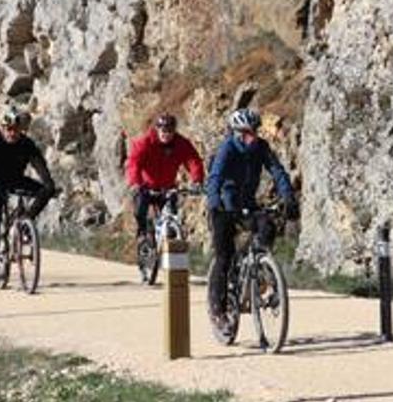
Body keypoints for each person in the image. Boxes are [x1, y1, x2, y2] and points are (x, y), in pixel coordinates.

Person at [205, 108, 298, 328]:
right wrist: (215, 203)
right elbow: (215, 177)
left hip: (247, 203)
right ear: (236, 133)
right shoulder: (227, 148)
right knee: (224, 256)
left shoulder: (261, 147)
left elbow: (277, 171)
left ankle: (259, 265)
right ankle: (218, 308)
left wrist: (288, 196)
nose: (252, 137)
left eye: (255, 131)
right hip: (225, 206)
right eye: (247, 133)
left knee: (267, 226)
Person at [0, 108, 56, 280]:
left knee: (48, 190)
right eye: (8, 129)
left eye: (16, 130)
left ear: (21, 130)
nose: (12, 133)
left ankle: (25, 221)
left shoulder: (26, 143)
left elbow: (39, 164)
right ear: (2, 128)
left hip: (15, 179)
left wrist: (48, 184)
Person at [124, 113, 205, 261]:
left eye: (170, 132)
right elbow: (133, 163)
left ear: (174, 131)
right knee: (140, 210)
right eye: (163, 132)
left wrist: (197, 180)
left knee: (172, 216)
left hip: (168, 187)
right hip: (146, 186)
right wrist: (135, 182)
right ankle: (143, 235)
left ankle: (171, 254)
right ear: (157, 130)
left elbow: (193, 160)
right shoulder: (145, 142)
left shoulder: (181, 143)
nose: (166, 135)